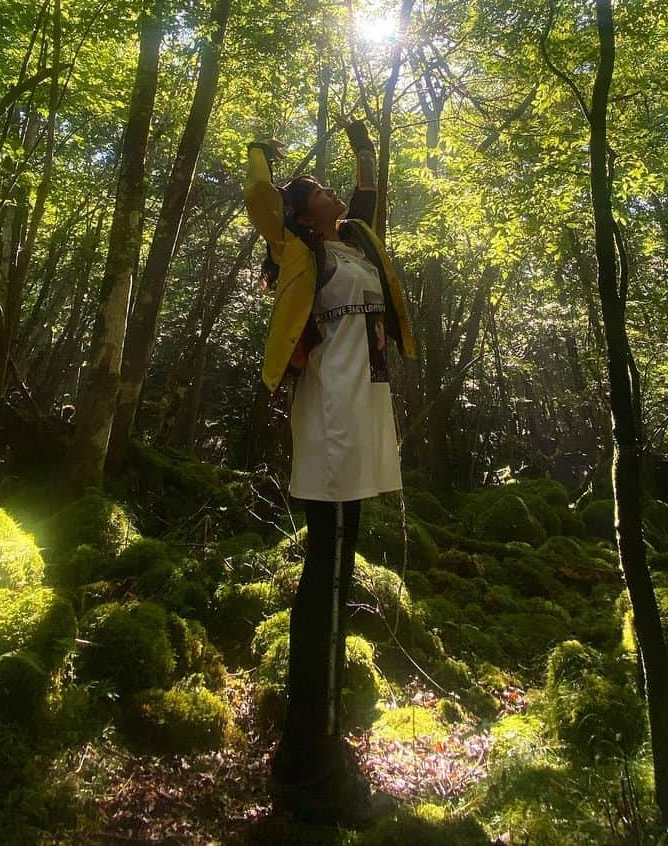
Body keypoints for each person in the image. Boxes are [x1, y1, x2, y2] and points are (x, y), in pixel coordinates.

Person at [243, 120, 417, 829]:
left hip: (367, 401)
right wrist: (261, 150)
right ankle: (309, 757)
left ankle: (311, 741)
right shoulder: (297, 248)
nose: (326, 192)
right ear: (299, 211)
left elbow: (370, 196)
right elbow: (259, 196)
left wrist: (364, 149)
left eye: (326, 187)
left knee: (340, 558)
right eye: (312, 189)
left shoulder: (354, 241)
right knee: (333, 561)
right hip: (331, 407)